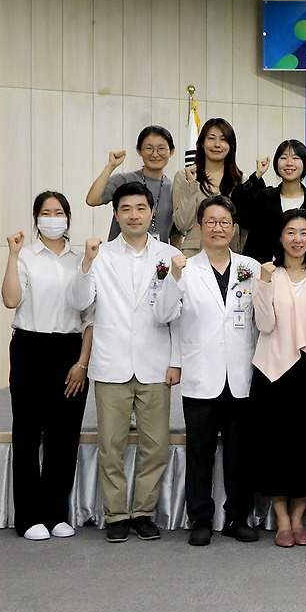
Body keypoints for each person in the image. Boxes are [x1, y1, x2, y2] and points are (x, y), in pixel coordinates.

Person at [68, 182, 183, 544]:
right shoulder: (99, 255)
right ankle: (116, 514)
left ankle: (144, 512)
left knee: (156, 446)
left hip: (153, 363)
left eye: (140, 209)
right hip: (111, 363)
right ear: (116, 214)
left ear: (151, 214)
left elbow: (176, 316)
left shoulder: (168, 255)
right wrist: (86, 263)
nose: (134, 215)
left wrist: (175, 360)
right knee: (111, 446)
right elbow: (79, 301)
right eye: (126, 209)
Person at [152, 195, 261, 547]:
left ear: (234, 228)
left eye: (224, 222)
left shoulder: (252, 268)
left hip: (241, 374)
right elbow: (163, 314)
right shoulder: (184, 267)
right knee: (199, 451)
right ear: (199, 227)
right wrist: (175, 277)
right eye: (211, 222)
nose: (218, 228)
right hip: (201, 375)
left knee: (239, 453)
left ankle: (236, 517)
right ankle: (200, 518)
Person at [0, 192, 93, 541]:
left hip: (70, 349)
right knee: (27, 432)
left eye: (59, 212)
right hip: (29, 346)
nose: (53, 218)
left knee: (64, 434)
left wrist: (82, 362)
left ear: (68, 217)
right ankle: (28, 517)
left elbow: (90, 318)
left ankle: (56, 513)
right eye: (45, 212)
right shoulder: (24, 256)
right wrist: (11, 254)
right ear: (36, 217)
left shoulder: (81, 259)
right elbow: (11, 300)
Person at [250, 209, 306, 548]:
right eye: (290, 232)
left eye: (303, 232)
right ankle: (282, 519)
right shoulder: (267, 274)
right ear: (280, 237)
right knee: (275, 446)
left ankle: (300, 518)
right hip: (273, 371)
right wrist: (261, 284)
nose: (297, 239)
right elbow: (264, 324)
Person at [232, 139, 306, 268]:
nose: (289, 163)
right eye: (284, 157)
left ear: (305, 164)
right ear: (276, 163)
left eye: (296, 158)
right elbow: (236, 207)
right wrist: (257, 175)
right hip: (262, 273)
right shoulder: (263, 198)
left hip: (304, 277)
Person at [85, 125, 179, 244]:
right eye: (149, 148)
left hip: (157, 259)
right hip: (120, 255)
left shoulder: (175, 188)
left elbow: (176, 233)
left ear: (171, 151)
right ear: (139, 150)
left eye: (161, 148)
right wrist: (110, 166)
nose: (155, 154)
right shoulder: (124, 180)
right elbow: (92, 200)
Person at [173, 118, 244, 256]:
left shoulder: (241, 180)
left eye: (223, 140)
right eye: (211, 138)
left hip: (231, 254)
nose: (217, 144)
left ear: (231, 145)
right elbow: (182, 224)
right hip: (194, 254)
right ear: (201, 144)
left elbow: (244, 228)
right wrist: (191, 184)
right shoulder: (184, 177)